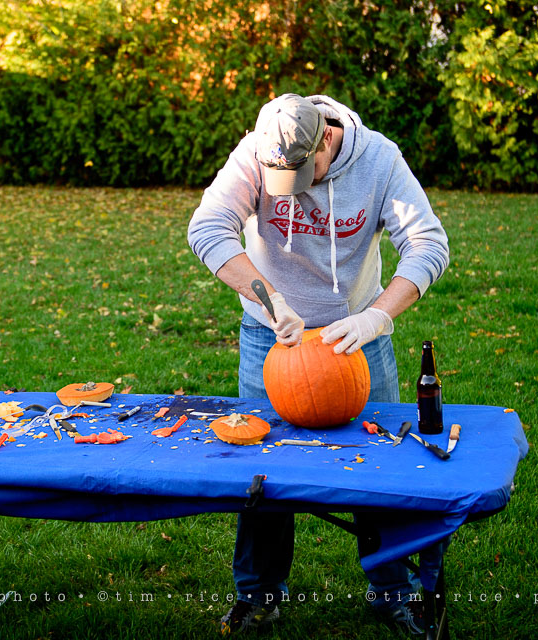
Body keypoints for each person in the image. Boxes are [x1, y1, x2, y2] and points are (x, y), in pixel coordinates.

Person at [188, 94, 450, 635]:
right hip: (272, 340)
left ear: (327, 138)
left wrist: (376, 317)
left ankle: (392, 592)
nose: (297, 186)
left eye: (307, 173)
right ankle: (258, 594)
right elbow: (208, 227)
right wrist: (269, 298)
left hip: (356, 339)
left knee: (380, 466)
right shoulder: (256, 153)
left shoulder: (379, 160)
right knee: (260, 469)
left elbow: (428, 244)